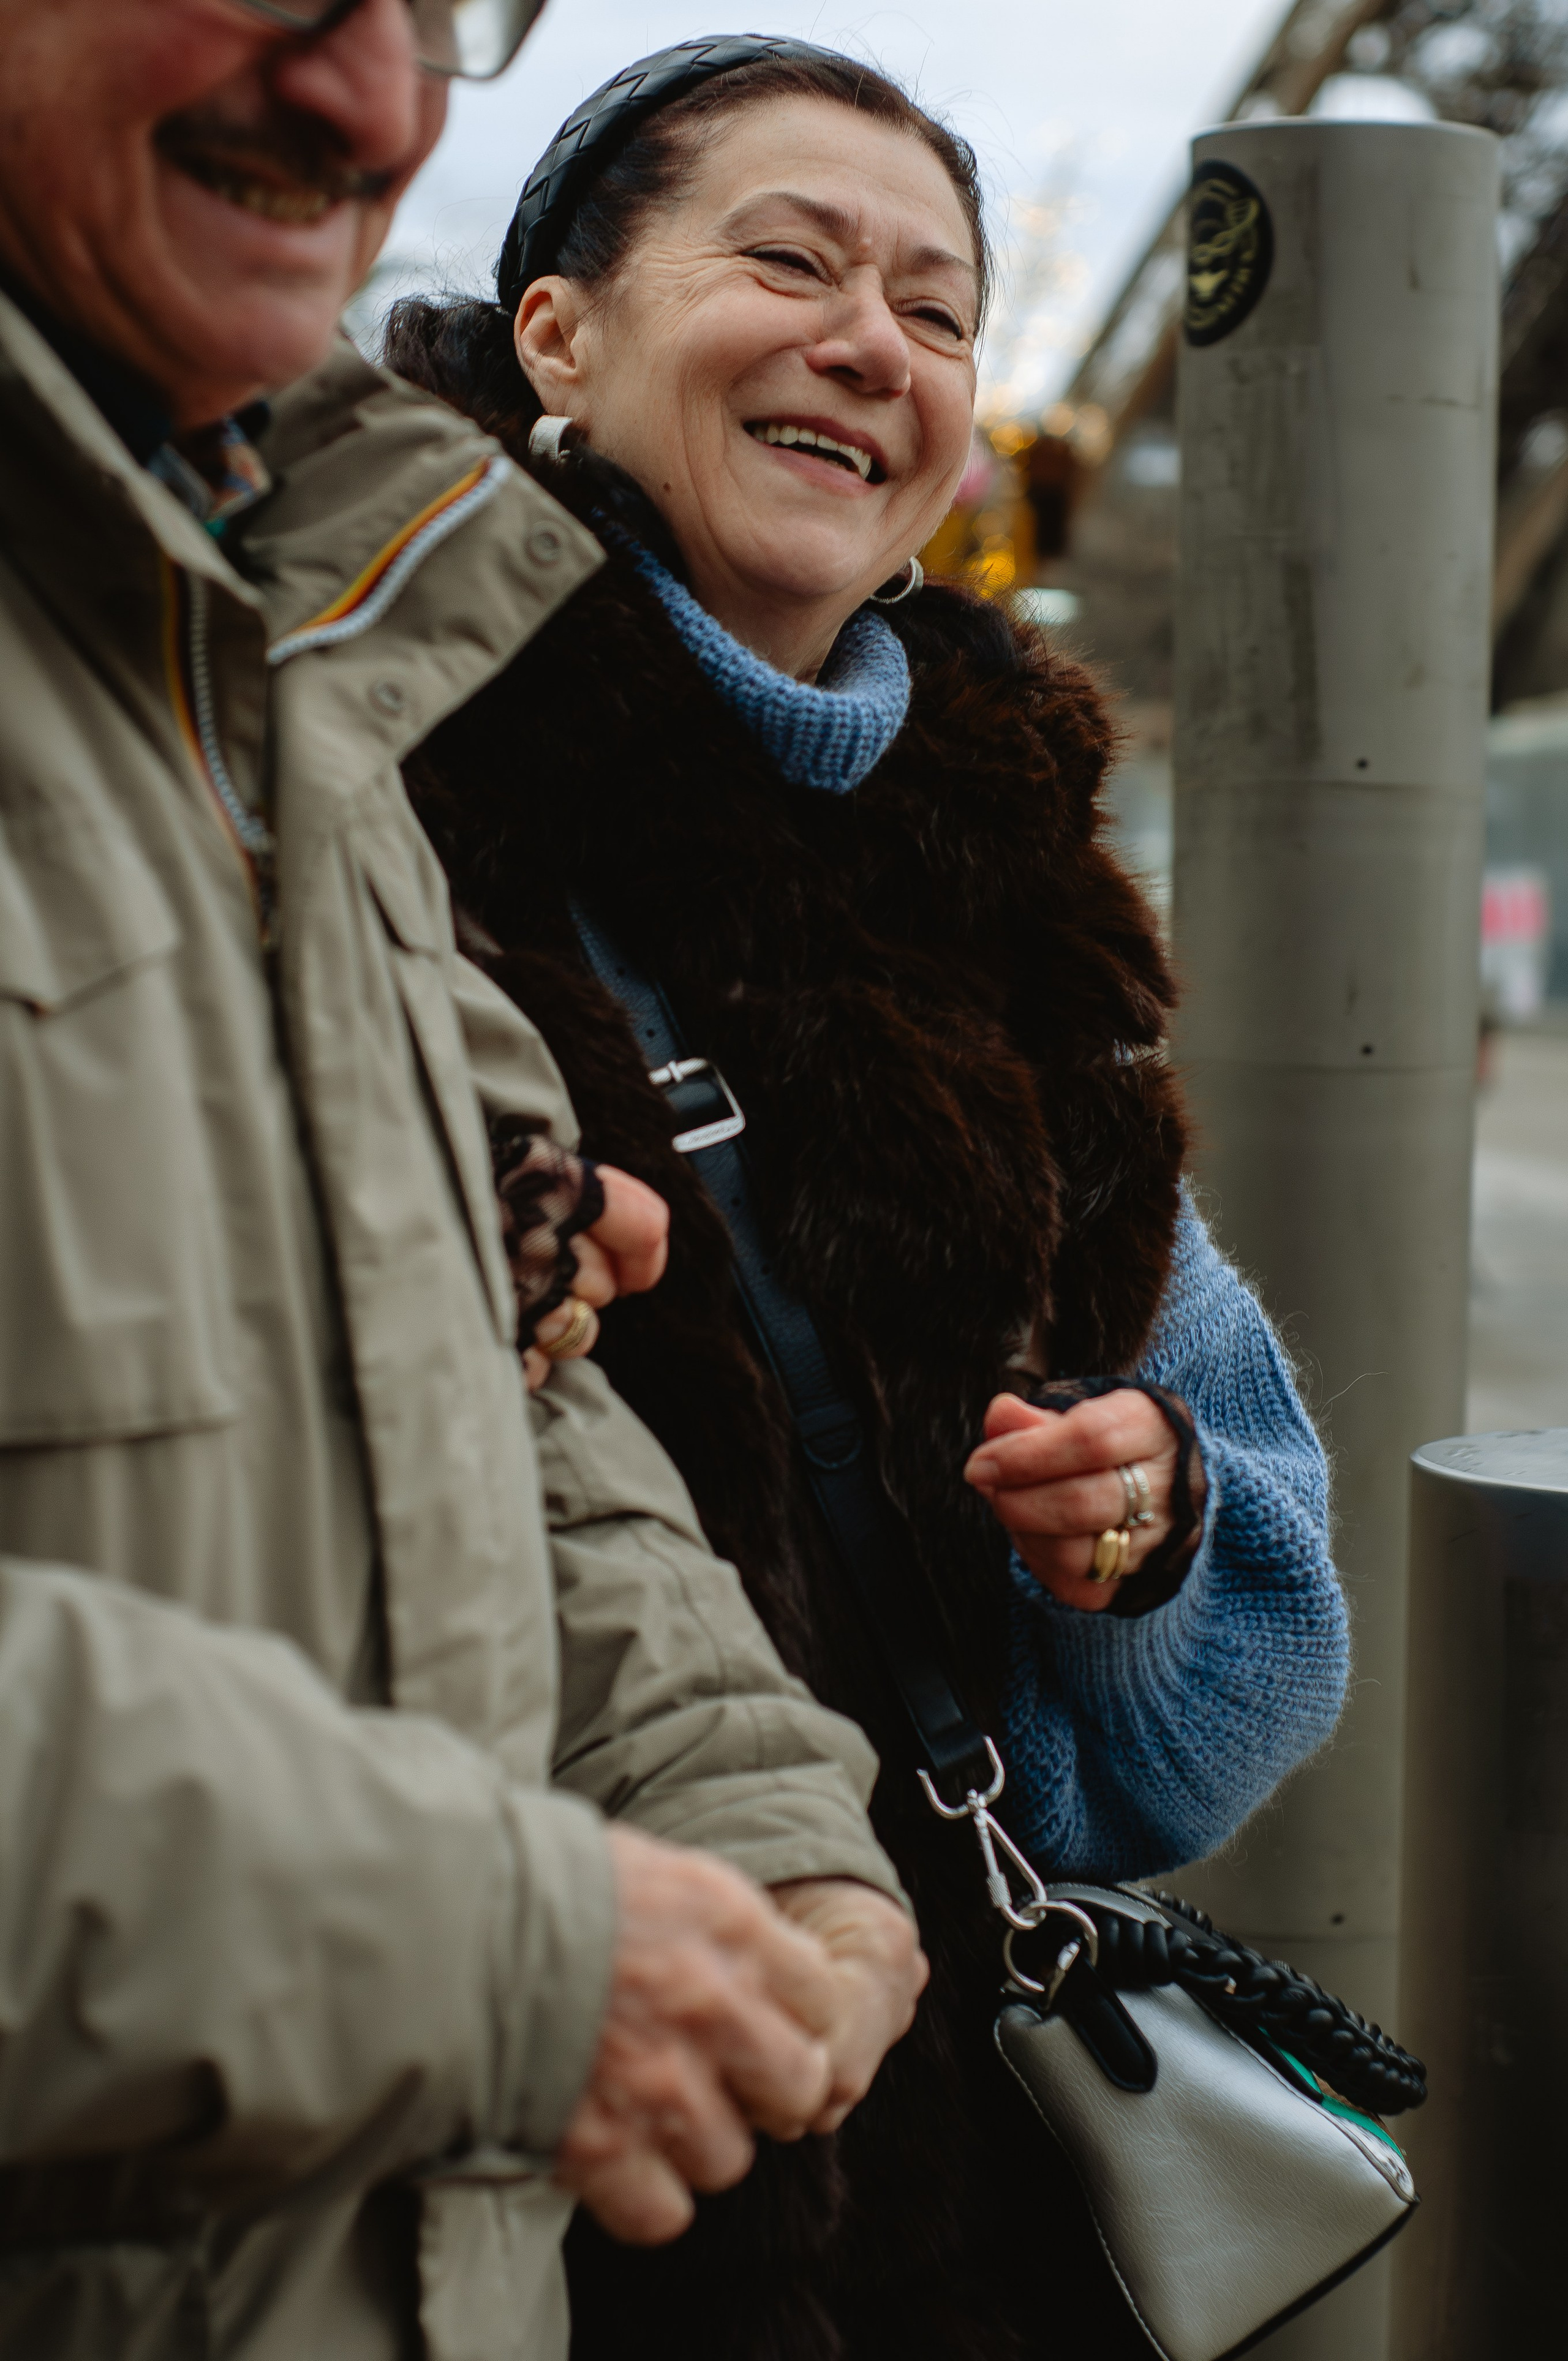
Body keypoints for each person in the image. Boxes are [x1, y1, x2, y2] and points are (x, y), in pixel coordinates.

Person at [388, 34, 1355, 2360]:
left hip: (938, 2121)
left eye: (937, 311)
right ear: (557, 331)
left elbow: (1235, 1685)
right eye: (792, 260)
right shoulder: (355, 784)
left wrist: (1150, 1524)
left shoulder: (1008, 889)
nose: (871, 345)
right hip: (520, 2121)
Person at [0, 6, 927, 2357]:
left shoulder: (271, 667)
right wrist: (493, 1953)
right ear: (557, 330)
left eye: (436, 14)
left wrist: (748, 1797)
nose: (374, 97)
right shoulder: (386, 684)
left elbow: (481, 1392)